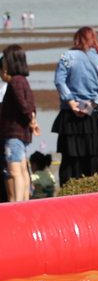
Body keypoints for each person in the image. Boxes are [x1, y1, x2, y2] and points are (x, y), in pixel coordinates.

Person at [53, 27, 98, 184]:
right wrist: (93, 103)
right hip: (90, 111)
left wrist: (72, 101)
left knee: (69, 160)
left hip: (69, 113)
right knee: (93, 159)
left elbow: (59, 81)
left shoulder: (67, 56)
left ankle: (68, 194)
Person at [1, 45, 41, 202]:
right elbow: (31, 106)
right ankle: (24, 202)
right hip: (22, 133)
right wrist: (32, 121)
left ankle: (18, 204)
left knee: (15, 171)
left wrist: (31, 122)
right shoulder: (23, 81)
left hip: (14, 132)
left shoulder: (14, 82)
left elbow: (24, 105)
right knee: (23, 169)